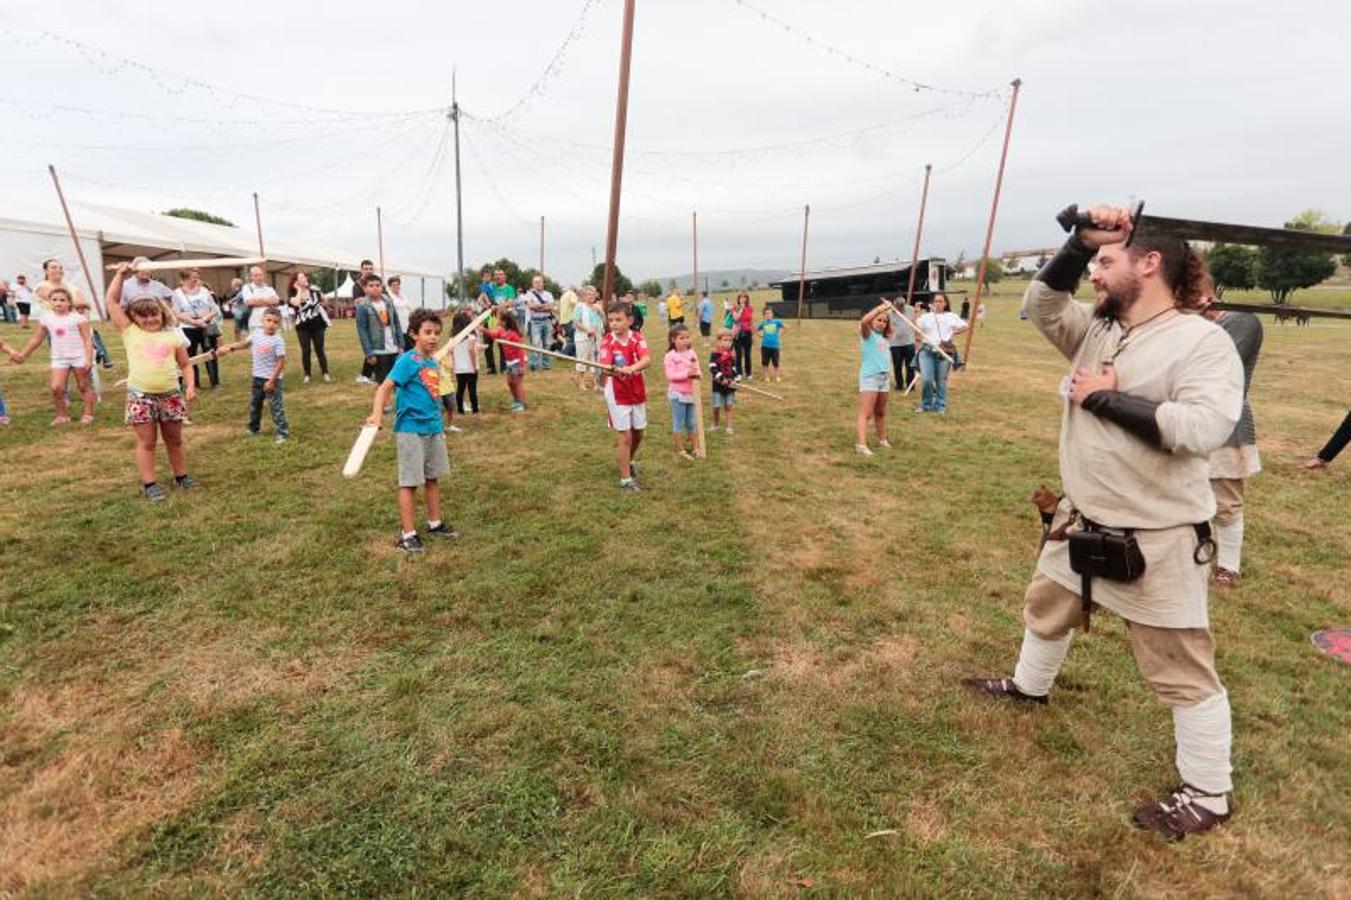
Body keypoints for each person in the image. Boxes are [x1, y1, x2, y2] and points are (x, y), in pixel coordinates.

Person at [963, 203, 1244, 841]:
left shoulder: (1202, 340)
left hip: (1159, 536)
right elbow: (1040, 305)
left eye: (1105, 261)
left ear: (1150, 264)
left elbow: (1203, 429)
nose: (1093, 273)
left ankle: (1208, 791)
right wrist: (1076, 241)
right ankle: (1028, 688)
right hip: (1079, 520)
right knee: (1046, 607)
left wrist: (1105, 400)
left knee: (1180, 665)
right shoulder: (1099, 329)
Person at [104, 263, 199, 501]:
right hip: (141, 396)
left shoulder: (172, 335)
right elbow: (112, 302)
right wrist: (120, 275)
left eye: (154, 314)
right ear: (133, 317)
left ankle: (182, 476)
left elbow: (185, 364)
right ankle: (150, 484)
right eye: (143, 315)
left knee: (175, 439)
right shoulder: (130, 332)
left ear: (162, 313)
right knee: (147, 442)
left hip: (171, 395)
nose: (150, 319)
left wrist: (189, 385)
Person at [367, 308, 459, 554]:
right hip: (411, 430)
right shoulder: (407, 360)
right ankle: (407, 534)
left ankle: (435, 522)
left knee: (432, 477)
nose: (433, 337)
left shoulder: (431, 361)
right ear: (413, 334)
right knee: (409, 482)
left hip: (433, 428)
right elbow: (384, 388)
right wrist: (376, 415)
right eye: (427, 332)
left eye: (436, 333)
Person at [1199, 293, 1263, 588]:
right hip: (1189, 420)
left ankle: (1228, 567)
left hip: (1227, 422)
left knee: (1225, 500)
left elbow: (1213, 367)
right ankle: (1196, 555)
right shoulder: (1190, 324)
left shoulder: (1243, 322)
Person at [12, 286, 97, 425]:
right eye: (55, 300)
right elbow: (36, 339)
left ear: (69, 302)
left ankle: (88, 414)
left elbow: (88, 339)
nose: (58, 303)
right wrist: (23, 354)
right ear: (50, 302)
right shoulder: (46, 319)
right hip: (59, 358)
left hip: (79, 357)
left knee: (83, 386)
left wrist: (88, 358)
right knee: (56, 387)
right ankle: (62, 416)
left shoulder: (79, 319)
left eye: (62, 300)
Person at [599, 301, 651, 491]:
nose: (613, 324)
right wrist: (612, 370)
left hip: (636, 389)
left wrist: (631, 368)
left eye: (618, 320)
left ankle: (628, 461)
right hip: (616, 393)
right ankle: (625, 480)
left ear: (629, 320)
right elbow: (605, 366)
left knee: (639, 432)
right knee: (626, 436)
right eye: (610, 320)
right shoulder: (607, 341)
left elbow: (646, 359)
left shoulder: (637, 337)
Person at [915, 294, 968, 413]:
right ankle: (926, 405)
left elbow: (965, 326)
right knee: (927, 379)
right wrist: (917, 313)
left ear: (945, 304)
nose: (938, 304)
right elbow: (916, 327)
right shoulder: (926, 317)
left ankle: (940, 406)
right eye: (936, 301)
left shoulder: (951, 316)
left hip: (945, 352)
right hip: (927, 351)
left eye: (941, 301)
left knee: (941, 380)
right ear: (932, 303)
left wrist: (952, 333)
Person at [172, 269, 221, 390]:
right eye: (193, 277)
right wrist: (194, 322)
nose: (196, 279)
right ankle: (194, 384)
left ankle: (215, 383)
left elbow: (214, 308)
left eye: (197, 277)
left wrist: (205, 319)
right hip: (188, 328)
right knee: (190, 357)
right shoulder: (177, 293)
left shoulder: (204, 291)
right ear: (184, 279)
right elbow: (177, 313)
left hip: (206, 326)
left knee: (211, 354)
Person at [246, 309, 289, 443]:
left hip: (272, 379)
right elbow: (245, 344)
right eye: (268, 320)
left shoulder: (278, 340)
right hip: (257, 377)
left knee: (276, 407)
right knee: (255, 405)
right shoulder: (256, 334)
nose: (271, 324)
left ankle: (282, 433)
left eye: (275, 322)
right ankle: (254, 427)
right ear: (262, 321)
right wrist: (230, 348)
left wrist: (271, 381)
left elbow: (281, 362)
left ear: (279, 324)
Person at [856, 304, 893, 456]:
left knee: (881, 412)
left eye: (885, 321)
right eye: (879, 320)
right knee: (866, 412)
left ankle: (882, 439)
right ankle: (861, 444)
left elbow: (892, 329)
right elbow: (864, 321)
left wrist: (889, 312)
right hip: (870, 377)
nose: (882, 323)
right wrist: (881, 308)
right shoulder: (867, 334)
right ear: (872, 321)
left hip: (884, 378)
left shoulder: (885, 338)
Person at [355, 274, 403, 388]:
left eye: (378, 285)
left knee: (398, 380)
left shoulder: (388, 301)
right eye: (371, 285)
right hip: (378, 350)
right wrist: (369, 353)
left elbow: (396, 322)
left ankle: (398, 404)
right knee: (383, 382)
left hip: (394, 347)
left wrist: (401, 343)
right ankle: (384, 405)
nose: (375, 288)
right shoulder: (363, 306)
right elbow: (362, 331)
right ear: (365, 288)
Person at [287, 271, 332, 383]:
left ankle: (325, 373)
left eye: (304, 276)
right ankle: (307, 375)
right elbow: (296, 304)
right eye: (301, 277)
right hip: (302, 327)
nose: (305, 278)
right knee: (306, 351)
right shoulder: (292, 294)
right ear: (296, 282)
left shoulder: (314, 292)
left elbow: (325, 301)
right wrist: (298, 290)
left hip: (317, 326)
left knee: (320, 350)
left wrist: (325, 303)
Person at [664, 323, 700, 460]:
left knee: (692, 422)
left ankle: (696, 447)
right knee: (678, 422)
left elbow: (697, 368)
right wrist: (687, 374)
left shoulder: (692, 353)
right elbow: (670, 376)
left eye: (687, 337)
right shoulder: (670, 356)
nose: (685, 341)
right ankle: (681, 449)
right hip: (677, 395)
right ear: (673, 340)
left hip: (692, 393)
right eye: (681, 338)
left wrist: (698, 375)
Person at [481, 309, 528, 412]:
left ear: (506, 322)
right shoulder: (501, 331)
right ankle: (516, 400)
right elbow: (494, 335)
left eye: (501, 320)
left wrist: (522, 366)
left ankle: (521, 403)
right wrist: (484, 330)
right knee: (510, 383)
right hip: (509, 362)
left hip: (517, 361)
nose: (498, 321)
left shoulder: (513, 334)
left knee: (517, 382)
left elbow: (520, 350)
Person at [446, 308, 479, 421]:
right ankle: (475, 410)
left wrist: (454, 366)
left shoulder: (452, 339)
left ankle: (460, 409)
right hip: (470, 368)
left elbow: (451, 353)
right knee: (472, 389)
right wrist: (474, 366)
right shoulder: (471, 337)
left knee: (460, 389)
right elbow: (471, 352)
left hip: (459, 368)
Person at [572, 286, 604, 391]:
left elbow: (605, 322)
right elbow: (576, 322)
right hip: (583, 337)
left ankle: (596, 384)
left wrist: (601, 311)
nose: (591, 296)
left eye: (593, 294)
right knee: (582, 359)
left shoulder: (597, 307)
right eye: (589, 294)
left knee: (596, 360)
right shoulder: (580, 307)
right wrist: (587, 330)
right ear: (584, 296)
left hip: (597, 338)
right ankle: (581, 382)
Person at [708, 329, 738, 435]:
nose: (728, 343)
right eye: (725, 340)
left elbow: (734, 369)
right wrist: (722, 378)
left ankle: (729, 426)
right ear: (719, 341)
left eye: (730, 341)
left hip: (730, 386)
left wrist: (735, 379)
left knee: (728, 406)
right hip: (717, 386)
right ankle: (715, 425)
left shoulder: (732, 355)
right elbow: (712, 368)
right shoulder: (715, 354)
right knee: (716, 406)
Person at [240, 264, 280, 342]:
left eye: (261, 275)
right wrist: (268, 302)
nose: (259, 277)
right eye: (256, 275)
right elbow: (250, 302)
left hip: (271, 323)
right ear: (251, 277)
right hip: (256, 323)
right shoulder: (247, 288)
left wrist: (258, 300)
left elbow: (276, 301)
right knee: (259, 349)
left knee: (272, 346)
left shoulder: (269, 289)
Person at [524, 275, 556, 371]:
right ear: (533, 284)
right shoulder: (529, 294)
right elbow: (531, 306)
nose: (538, 284)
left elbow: (551, 307)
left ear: (543, 283)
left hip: (547, 321)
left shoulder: (549, 294)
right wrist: (544, 306)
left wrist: (538, 307)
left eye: (540, 282)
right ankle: (534, 365)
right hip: (535, 322)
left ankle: (546, 365)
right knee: (535, 344)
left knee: (547, 343)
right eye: (536, 282)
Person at [886, 298, 917, 390]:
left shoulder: (911, 310)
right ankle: (899, 385)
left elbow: (915, 322)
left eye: (901, 307)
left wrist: (917, 339)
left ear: (904, 306)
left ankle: (910, 386)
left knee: (910, 365)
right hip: (895, 344)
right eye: (897, 307)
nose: (899, 309)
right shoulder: (889, 313)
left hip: (909, 343)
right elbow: (886, 327)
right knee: (897, 365)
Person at [756, 306, 786, 382]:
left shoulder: (777, 322)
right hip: (765, 346)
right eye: (766, 314)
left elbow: (786, 327)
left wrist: (780, 335)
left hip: (775, 346)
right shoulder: (763, 323)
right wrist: (760, 335)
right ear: (764, 315)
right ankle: (766, 376)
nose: (768, 315)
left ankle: (777, 376)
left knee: (775, 363)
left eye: (769, 313)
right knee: (765, 363)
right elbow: (755, 330)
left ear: (772, 314)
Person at [387, 276, 415, 350]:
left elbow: (410, 307)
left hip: (407, 324)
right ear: (389, 286)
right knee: (401, 345)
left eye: (398, 284)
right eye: (394, 285)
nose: (396, 286)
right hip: (398, 325)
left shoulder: (403, 295)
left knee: (410, 344)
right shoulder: (389, 297)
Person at [731, 292, 754, 379]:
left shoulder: (750, 308)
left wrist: (752, 334)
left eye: (745, 297)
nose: (743, 299)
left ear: (747, 299)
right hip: (738, 333)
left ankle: (748, 373)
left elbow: (751, 321)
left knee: (747, 354)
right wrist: (741, 309)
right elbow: (735, 318)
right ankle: (739, 373)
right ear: (738, 299)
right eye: (741, 297)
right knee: (739, 354)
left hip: (747, 333)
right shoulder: (735, 308)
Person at [557, 284, 578, 356]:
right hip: (570, 319)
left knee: (570, 338)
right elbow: (574, 302)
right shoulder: (572, 294)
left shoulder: (563, 296)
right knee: (573, 339)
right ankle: (563, 354)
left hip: (563, 320)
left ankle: (569, 354)